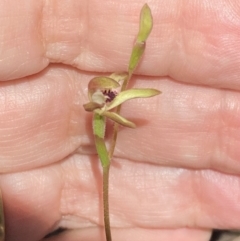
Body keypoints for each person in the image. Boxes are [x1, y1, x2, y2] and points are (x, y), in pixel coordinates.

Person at [0, 1, 240, 240]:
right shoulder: (102, 106)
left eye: (110, 89)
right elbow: (105, 98)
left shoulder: (115, 99)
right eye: (103, 90)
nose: (108, 91)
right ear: (94, 97)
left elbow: (127, 90)